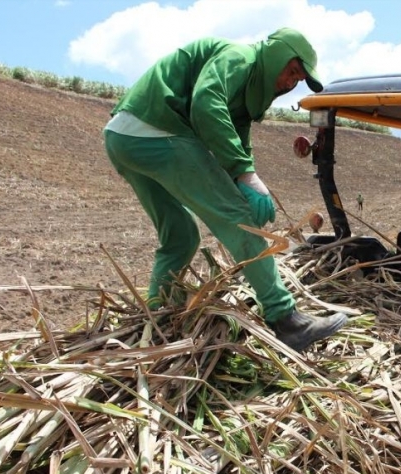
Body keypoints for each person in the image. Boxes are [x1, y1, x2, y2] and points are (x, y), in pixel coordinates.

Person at [102, 28, 346, 352]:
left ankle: (159, 318)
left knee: (180, 236)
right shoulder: (241, 57)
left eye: (298, 80)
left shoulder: (245, 96)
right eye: (291, 71)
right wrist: (244, 177)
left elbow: (237, 140)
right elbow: (206, 103)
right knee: (238, 218)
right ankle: (286, 318)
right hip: (158, 128)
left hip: (123, 138)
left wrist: (246, 179)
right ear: (276, 55)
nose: (290, 82)